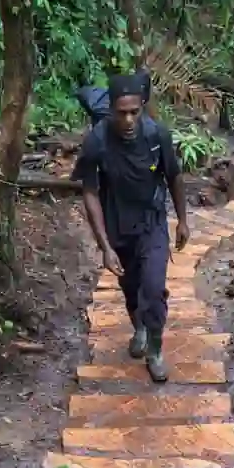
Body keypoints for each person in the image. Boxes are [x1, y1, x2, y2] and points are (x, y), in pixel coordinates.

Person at [72, 72, 189, 382]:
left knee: (153, 287)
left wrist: (183, 221)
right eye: (121, 112)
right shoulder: (97, 140)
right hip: (117, 225)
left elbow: (174, 176)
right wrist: (105, 247)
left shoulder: (156, 135)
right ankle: (137, 325)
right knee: (130, 286)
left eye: (134, 112)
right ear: (110, 109)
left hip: (152, 221)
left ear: (142, 107)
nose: (128, 120)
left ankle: (155, 348)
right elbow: (90, 191)